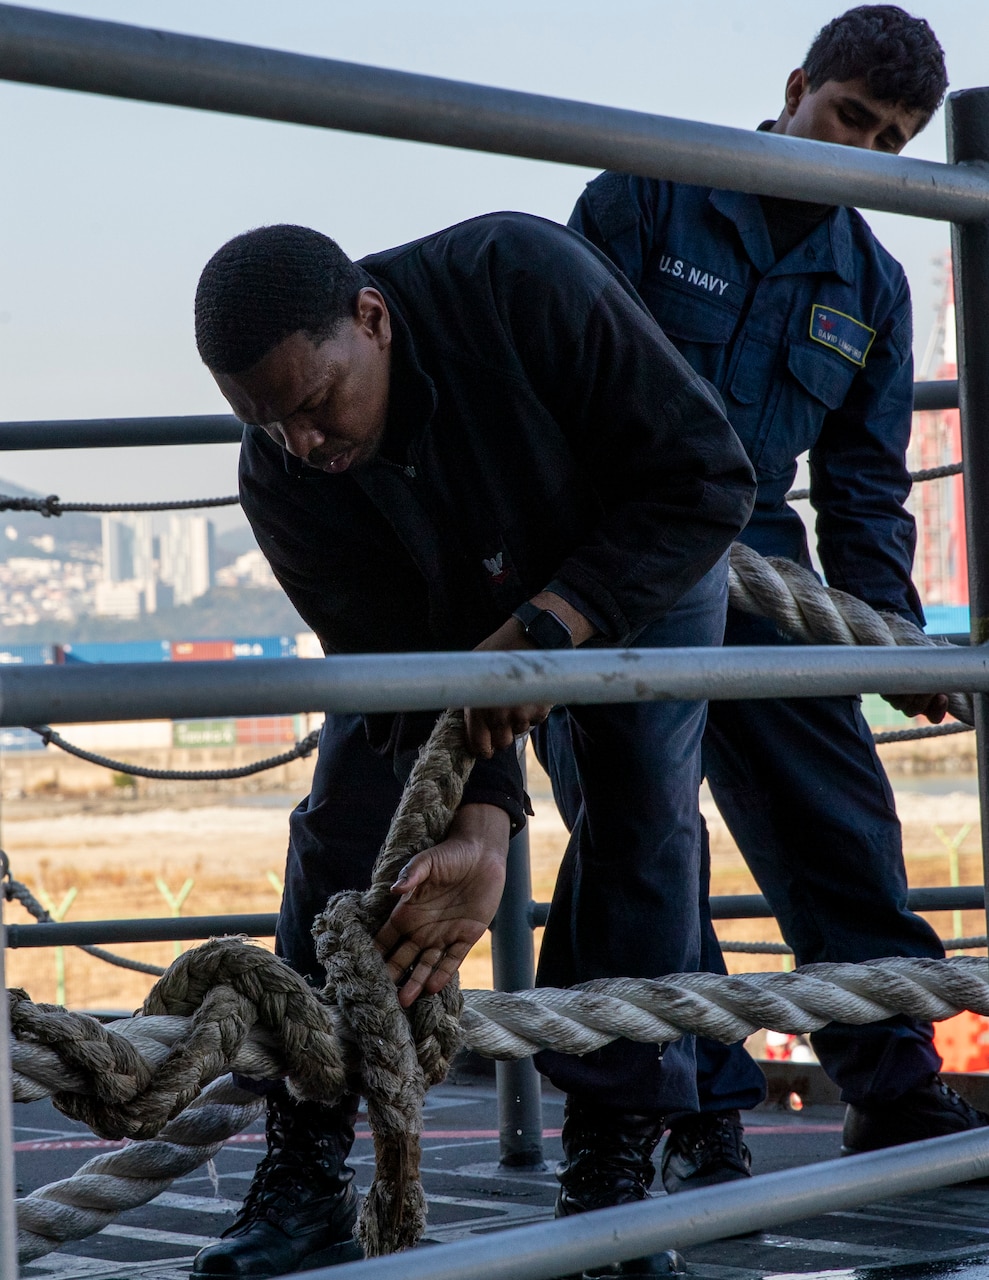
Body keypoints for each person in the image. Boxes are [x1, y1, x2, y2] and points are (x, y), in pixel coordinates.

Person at [190, 214, 756, 1279]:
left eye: (314, 404)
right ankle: (305, 1166)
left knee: (640, 816)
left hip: (638, 557)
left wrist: (543, 629)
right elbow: (394, 671)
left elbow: (706, 481)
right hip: (459, 621)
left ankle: (609, 1182)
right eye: (270, 424)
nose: (304, 442)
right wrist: (483, 819)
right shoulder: (283, 476)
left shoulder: (519, 279)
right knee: (345, 820)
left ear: (372, 318)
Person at [552, 3, 989, 1196]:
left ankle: (895, 1089)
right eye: (848, 117)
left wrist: (893, 643)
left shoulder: (871, 283)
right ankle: (703, 1113)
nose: (860, 151)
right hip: (613, 562)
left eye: (890, 140)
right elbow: (554, 389)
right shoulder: (645, 196)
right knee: (644, 835)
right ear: (794, 86)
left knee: (838, 815)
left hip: (759, 561)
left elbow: (861, 490)